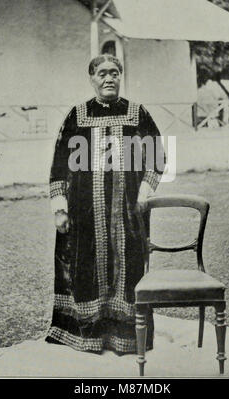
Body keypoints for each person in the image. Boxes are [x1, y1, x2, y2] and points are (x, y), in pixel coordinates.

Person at [46, 54, 165, 354]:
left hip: (128, 214)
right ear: (92, 78)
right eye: (102, 73)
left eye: (114, 72)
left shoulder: (137, 113)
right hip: (84, 214)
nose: (108, 78)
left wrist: (144, 192)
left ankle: (126, 338)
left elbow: (158, 157)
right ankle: (90, 337)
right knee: (85, 269)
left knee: (129, 270)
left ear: (121, 76)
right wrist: (60, 207)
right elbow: (59, 164)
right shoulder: (77, 115)